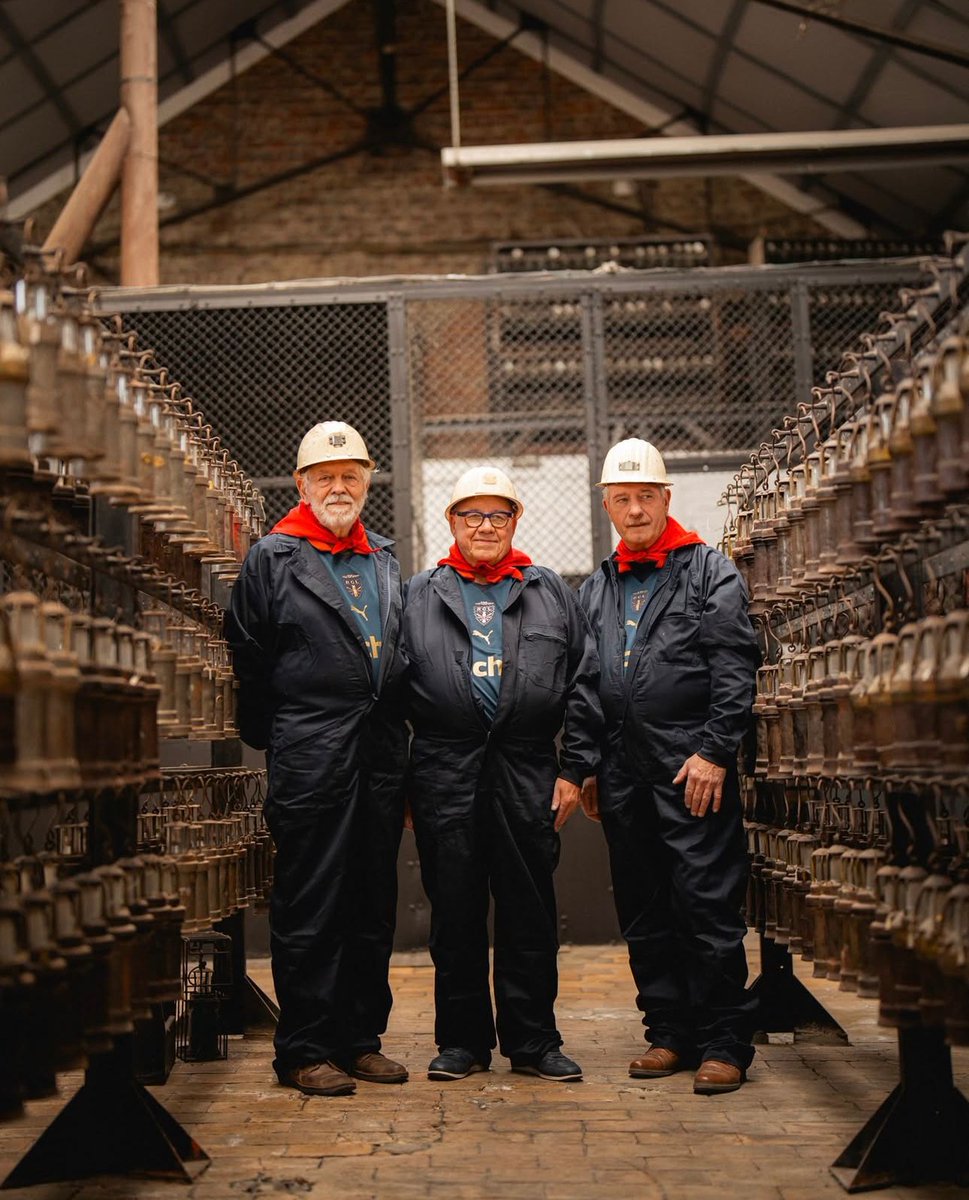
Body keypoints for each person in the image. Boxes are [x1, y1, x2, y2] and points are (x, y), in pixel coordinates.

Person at [225, 421, 408, 1097]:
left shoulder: (383, 559)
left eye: (351, 476)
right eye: (325, 477)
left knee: (371, 902)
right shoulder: (272, 558)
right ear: (301, 484)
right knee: (311, 905)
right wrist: (291, 738)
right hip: (311, 755)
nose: (339, 486)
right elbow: (247, 653)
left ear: (365, 484)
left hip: (379, 759)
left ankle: (359, 1040)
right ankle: (305, 1049)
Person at [402, 466, 602, 1083]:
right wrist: (407, 781)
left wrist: (575, 769)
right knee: (455, 910)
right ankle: (462, 1042)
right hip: (444, 767)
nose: (485, 527)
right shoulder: (419, 593)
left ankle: (534, 1041)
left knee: (529, 910)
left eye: (498, 516)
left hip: (527, 767)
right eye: (472, 516)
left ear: (516, 521)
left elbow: (585, 684)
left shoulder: (550, 592)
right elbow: (388, 690)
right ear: (452, 522)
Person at [577, 438, 759, 1095]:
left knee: (704, 904)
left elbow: (733, 665)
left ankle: (722, 1042)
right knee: (643, 905)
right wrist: (591, 764)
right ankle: (668, 1035)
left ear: (665, 499)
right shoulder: (598, 585)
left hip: (688, 766)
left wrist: (713, 751)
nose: (633, 509)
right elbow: (586, 681)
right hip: (623, 770)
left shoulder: (707, 570)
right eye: (621, 499)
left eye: (643, 497)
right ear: (606, 506)